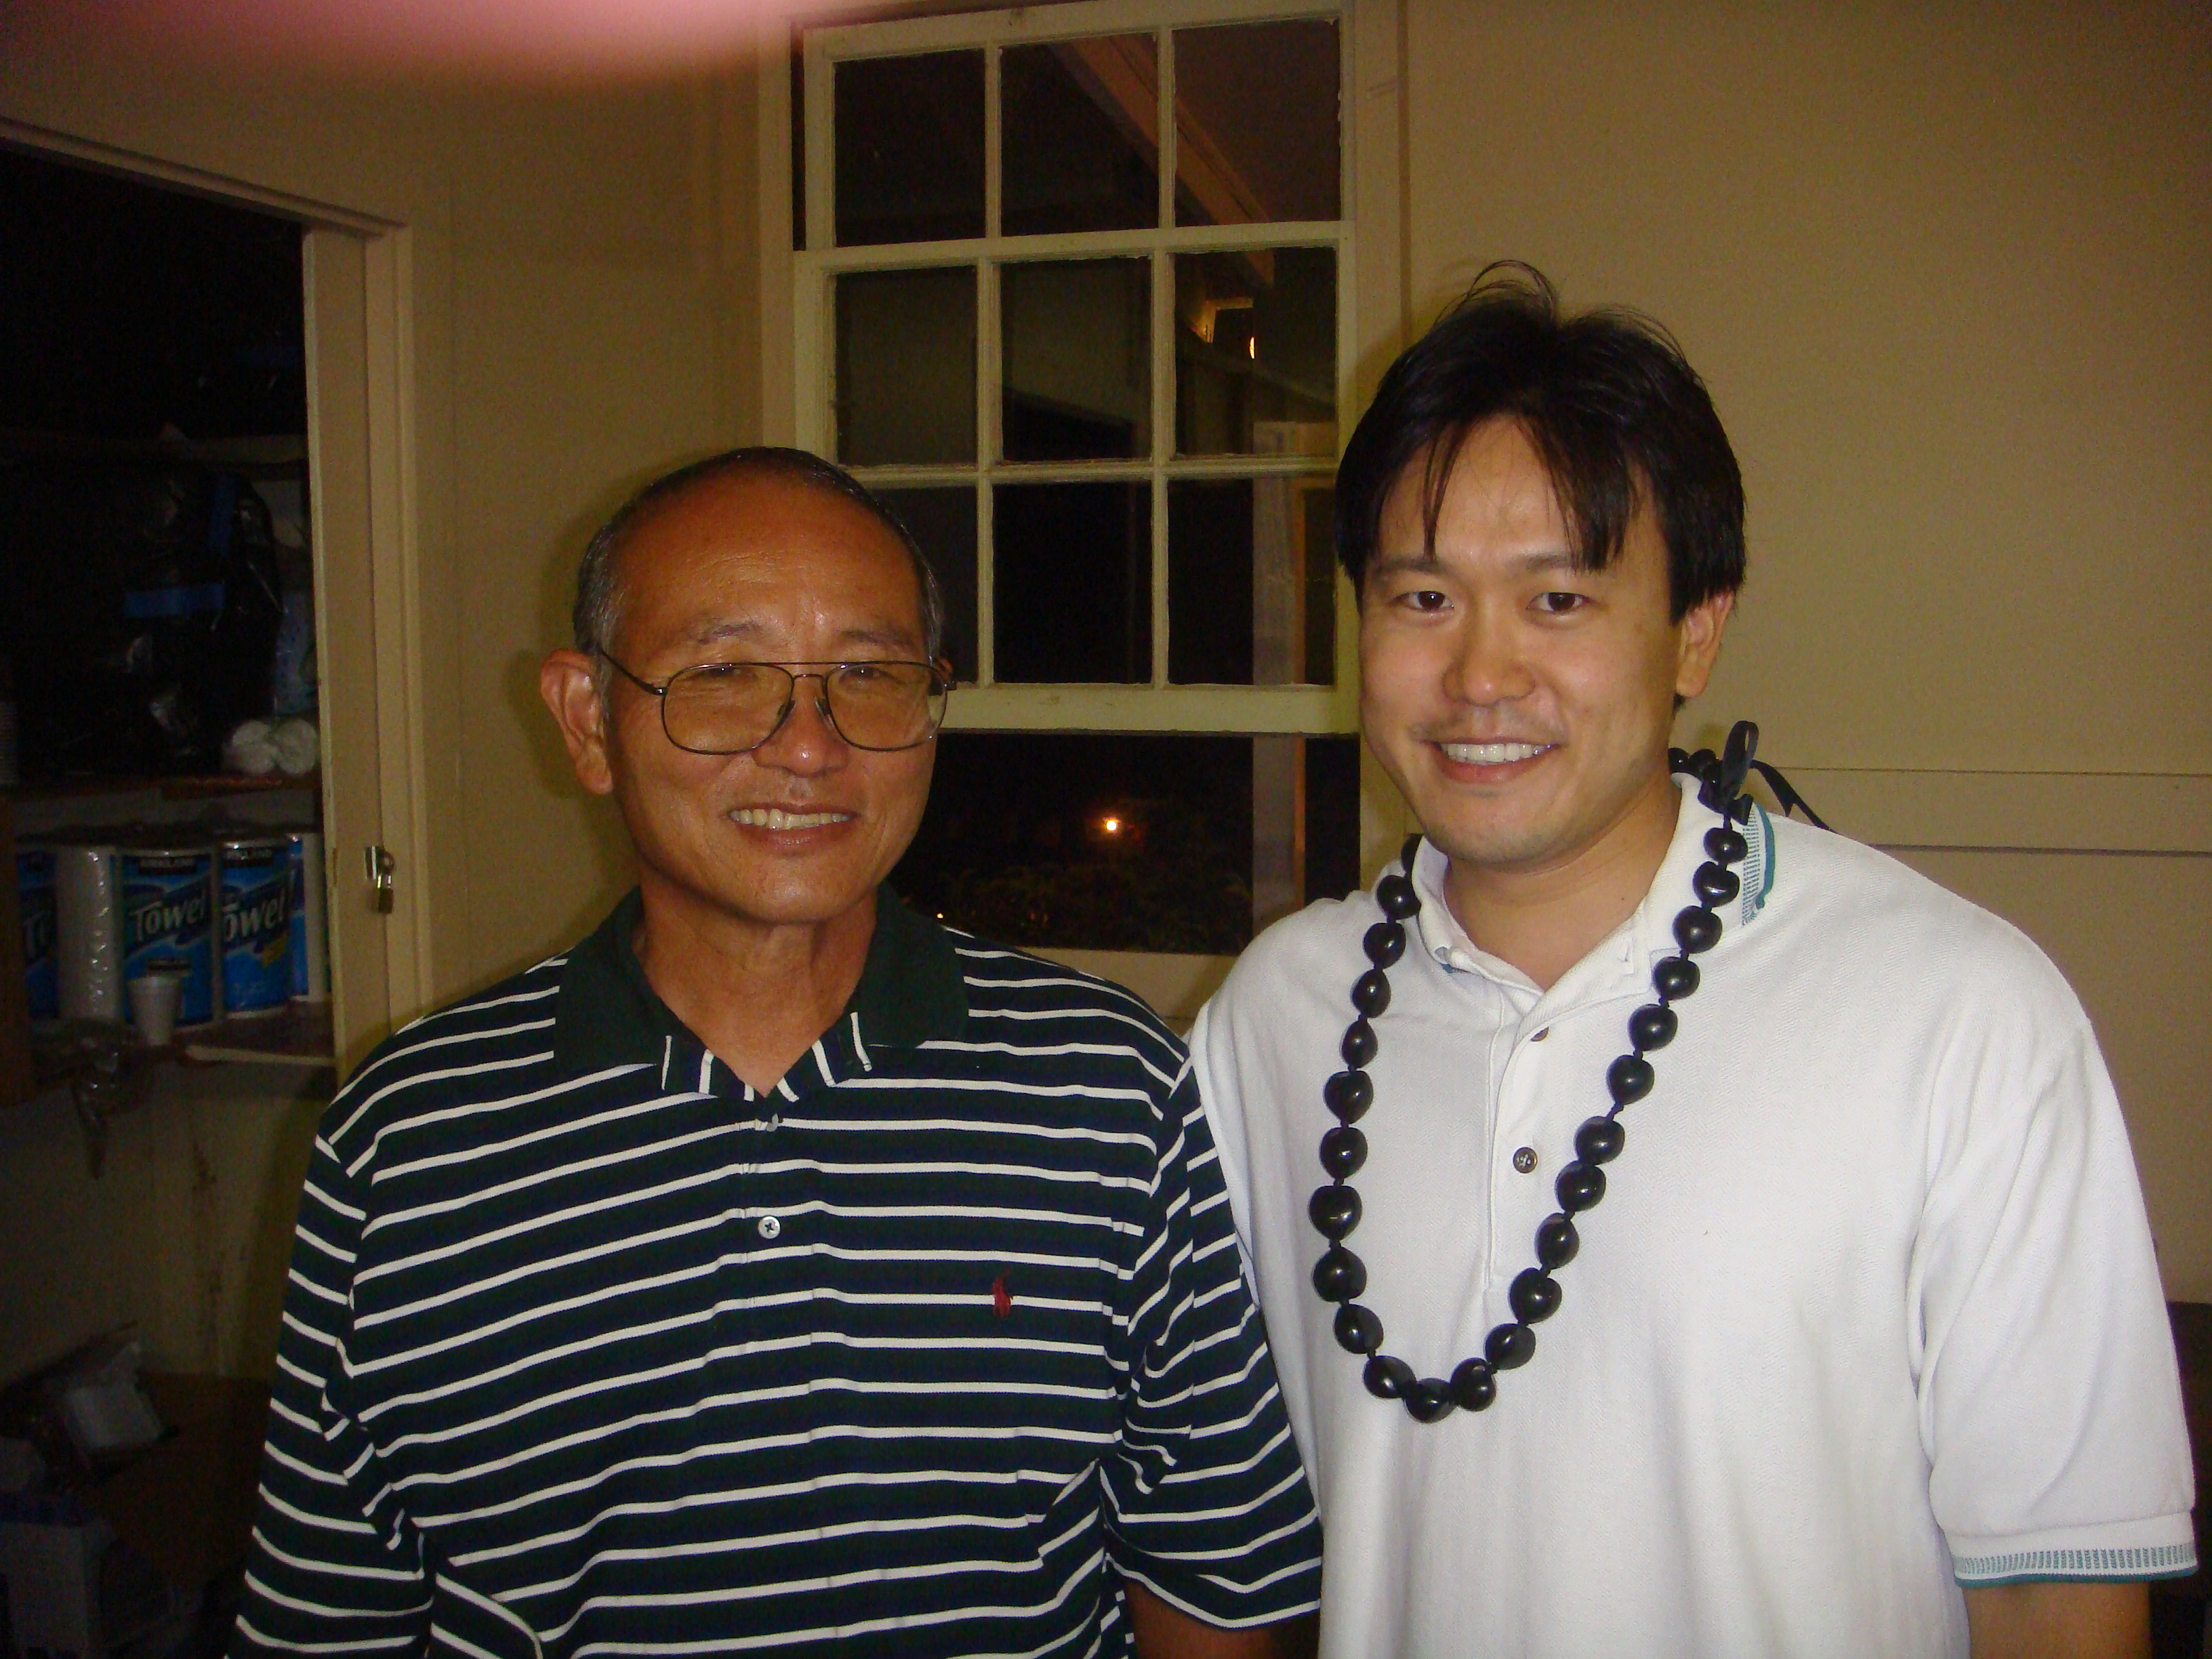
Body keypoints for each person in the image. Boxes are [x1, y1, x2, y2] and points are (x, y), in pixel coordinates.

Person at [1190, 267, 2196, 1658]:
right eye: (1421, 596)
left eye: (1558, 599)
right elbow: (1217, 1532)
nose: (1480, 674)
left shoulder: (1958, 1012)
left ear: (1697, 634)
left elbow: (2057, 1595)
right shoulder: (1272, 1019)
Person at [232, 447, 1323, 1656]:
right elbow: (331, 1619)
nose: (808, 746)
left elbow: (1216, 1578)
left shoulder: (1106, 1090)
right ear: (588, 721)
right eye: (723, 675)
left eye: (869, 675)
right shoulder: (407, 1141)